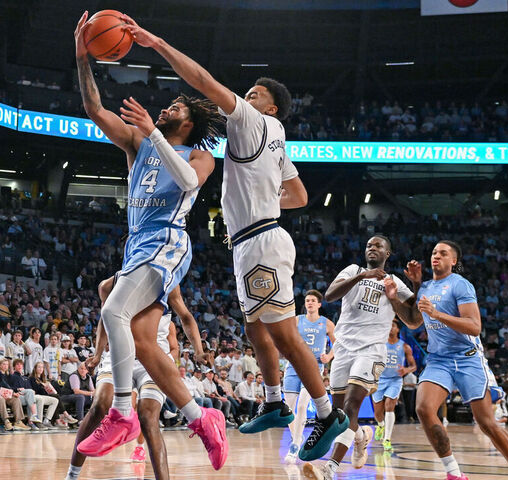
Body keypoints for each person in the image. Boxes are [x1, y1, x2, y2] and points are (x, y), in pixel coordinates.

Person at [120, 14, 347, 461]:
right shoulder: (276, 136)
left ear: (270, 108)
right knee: (256, 329)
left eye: (254, 94)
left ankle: (326, 414)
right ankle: (275, 401)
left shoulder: (250, 121)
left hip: (261, 240)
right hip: (250, 240)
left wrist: (157, 42)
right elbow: (299, 194)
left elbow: (202, 80)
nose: (245, 96)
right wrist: (264, 198)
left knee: (282, 333)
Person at [74, 11, 227, 469]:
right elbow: (94, 109)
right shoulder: (139, 146)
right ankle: (203, 419)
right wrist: (82, 57)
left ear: (188, 122)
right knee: (142, 340)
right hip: (138, 244)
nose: (166, 108)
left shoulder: (199, 155)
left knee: (111, 310)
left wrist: (155, 132)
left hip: (167, 242)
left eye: (175, 109)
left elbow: (186, 183)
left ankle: (122, 412)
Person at [401, 240, 508, 480]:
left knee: (486, 422)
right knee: (423, 408)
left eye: (443, 253)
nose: (436, 256)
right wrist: (415, 285)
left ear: (453, 261)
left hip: (467, 359)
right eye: (434, 252)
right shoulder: (424, 287)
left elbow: (474, 327)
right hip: (439, 360)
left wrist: (436, 314)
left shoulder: (461, 285)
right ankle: (454, 473)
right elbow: (415, 321)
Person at [67, 277, 204, 480]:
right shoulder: (108, 285)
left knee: (148, 417)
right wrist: (97, 354)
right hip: (118, 354)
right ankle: (72, 475)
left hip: (152, 358)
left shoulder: (167, 280)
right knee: (100, 405)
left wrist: (199, 351)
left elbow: (185, 316)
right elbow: (105, 320)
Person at [303, 236, 417, 479]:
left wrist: (404, 292)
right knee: (339, 415)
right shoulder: (353, 270)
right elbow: (331, 295)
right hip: (344, 349)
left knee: (351, 405)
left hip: (372, 349)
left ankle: (330, 468)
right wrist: (360, 277)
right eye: (368, 245)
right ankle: (361, 436)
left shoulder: (394, 281)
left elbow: (414, 321)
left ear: (388, 252)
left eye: (378, 246)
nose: (372, 248)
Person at [284, 290, 336, 463]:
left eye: (313, 300)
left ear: (319, 304)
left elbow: (338, 344)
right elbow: (286, 338)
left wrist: (328, 357)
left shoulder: (327, 323)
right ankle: (296, 437)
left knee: (303, 405)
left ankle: (296, 444)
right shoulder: (297, 320)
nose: (310, 303)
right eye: (307, 300)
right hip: (293, 365)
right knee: (288, 409)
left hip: (314, 366)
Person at [372, 320, 416, 452]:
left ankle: (387, 439)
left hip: (395, 380)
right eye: (388, 325)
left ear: (398, 330)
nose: (390, 328)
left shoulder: (404, 346)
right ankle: (380, 425)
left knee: (389, 406)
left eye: (393, 326)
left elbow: (414, 366)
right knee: (378, 412)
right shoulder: (379, 344)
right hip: (379, 380)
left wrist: (406, 370)